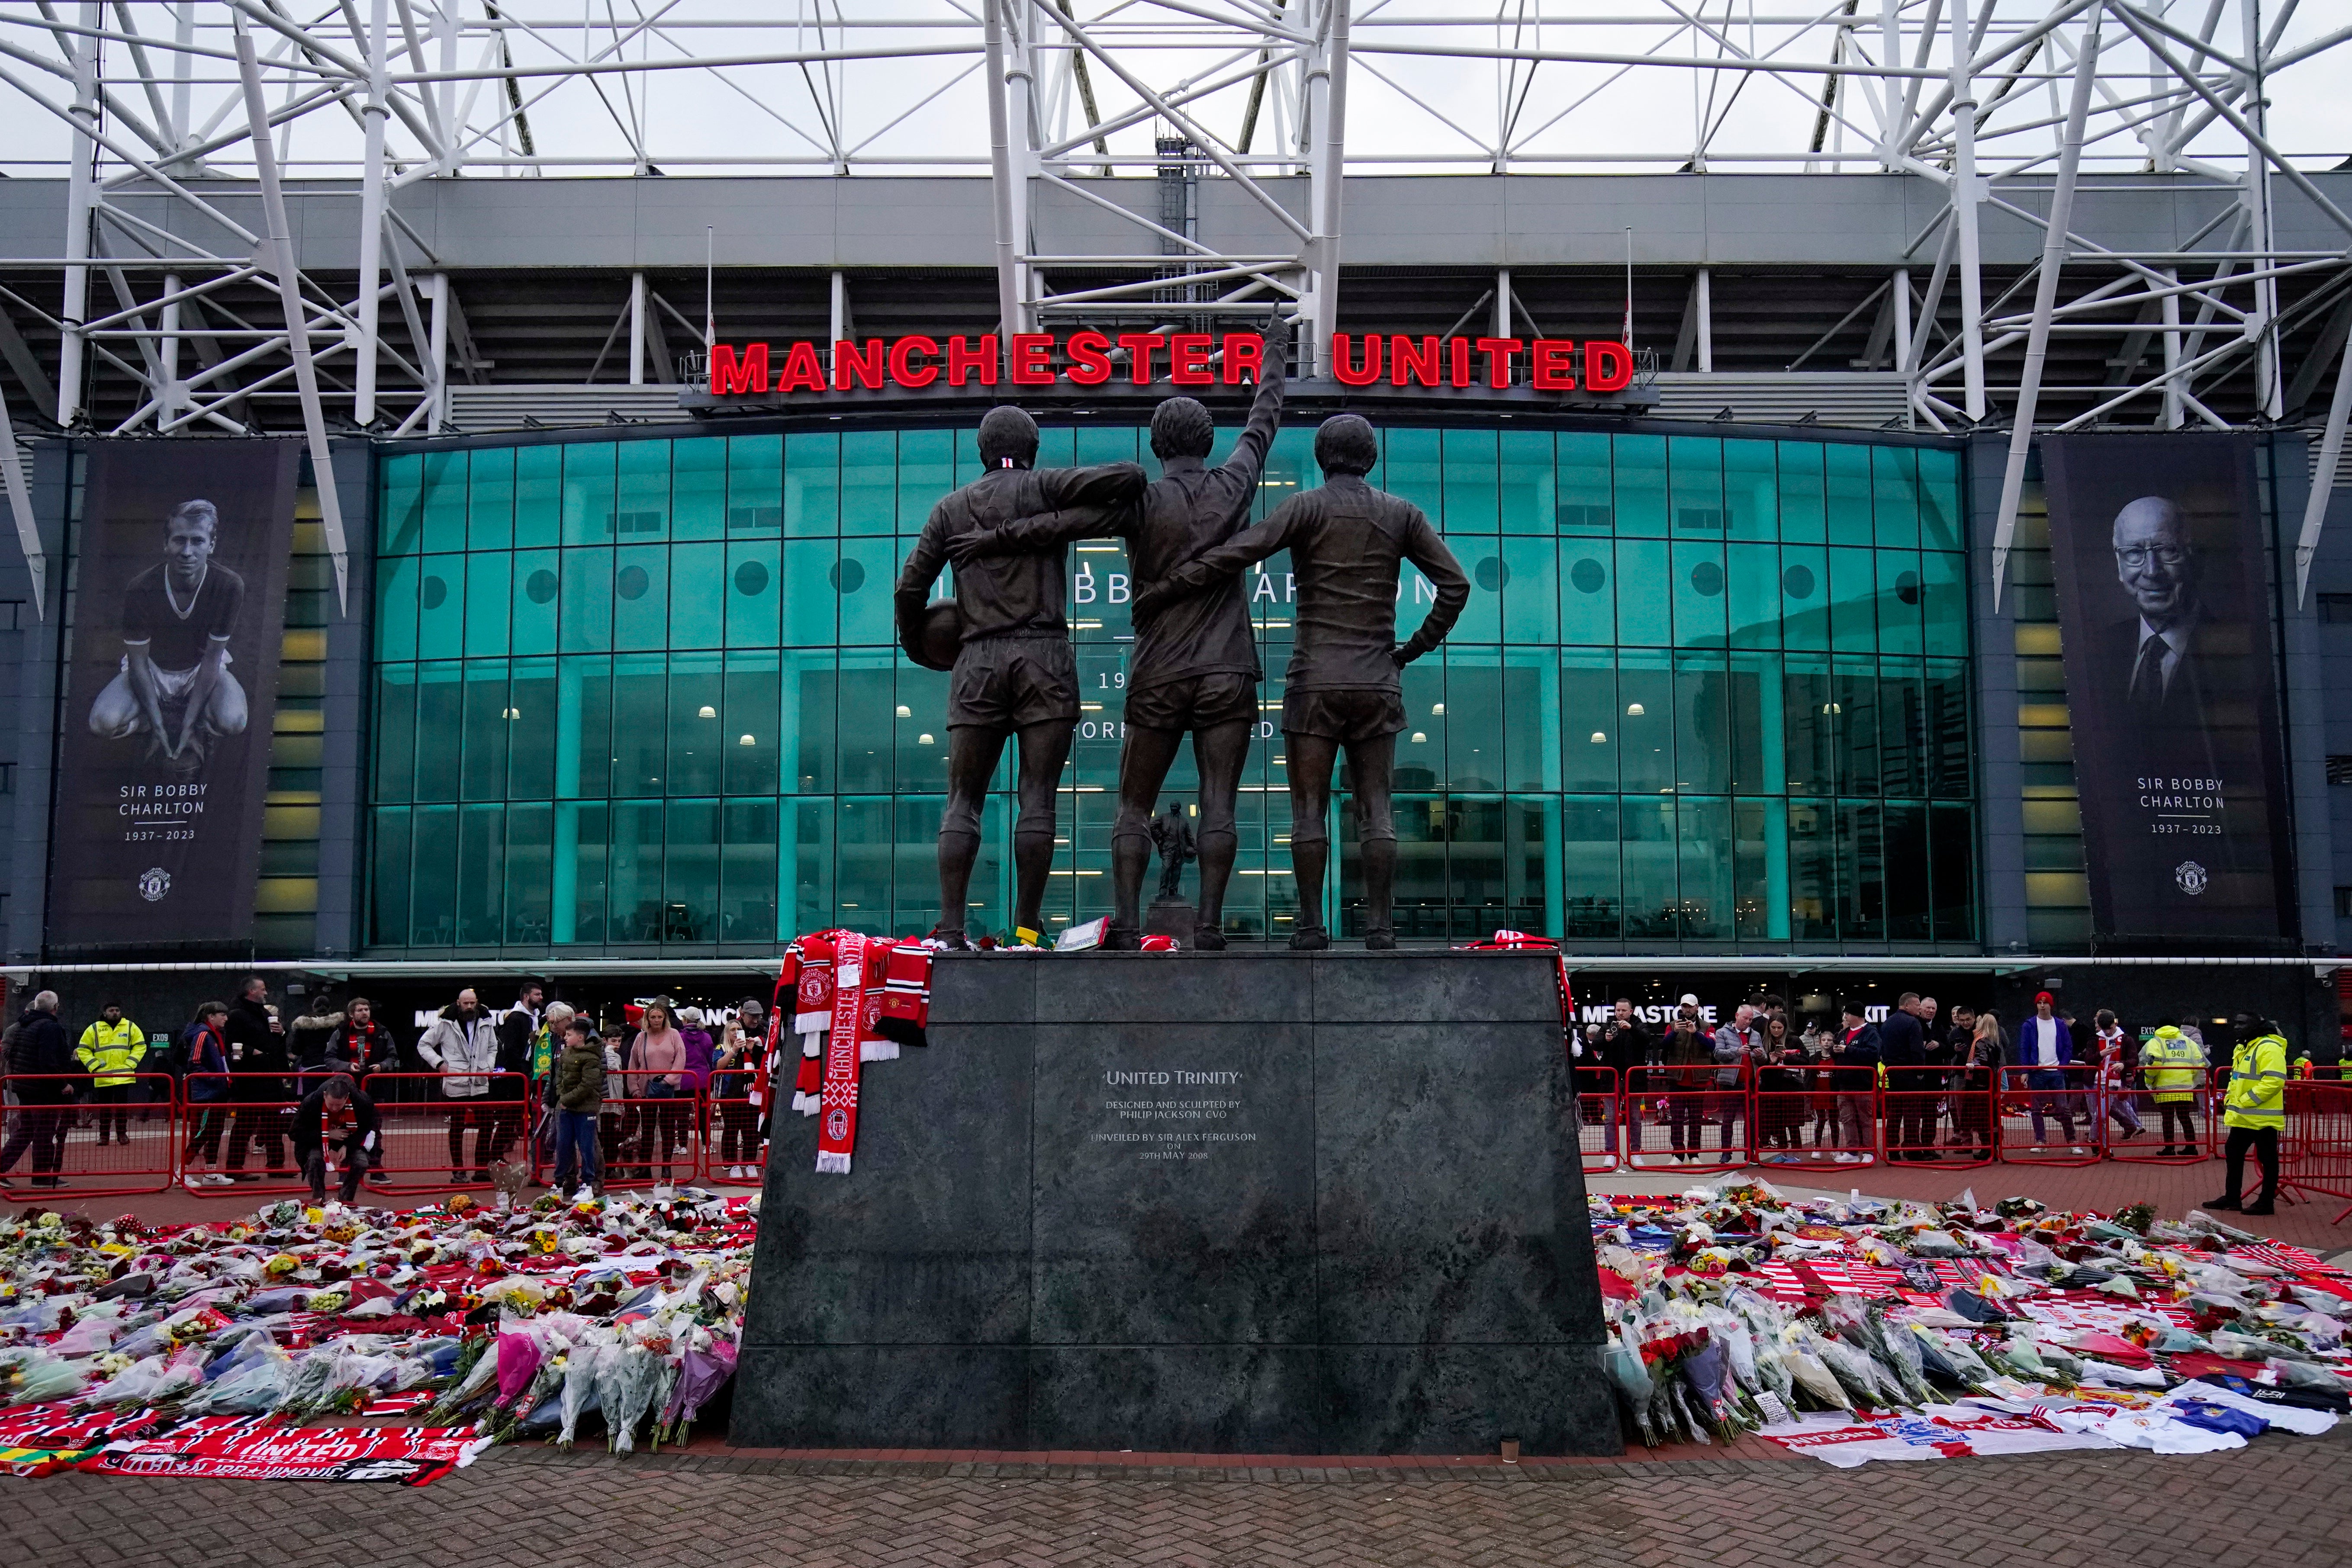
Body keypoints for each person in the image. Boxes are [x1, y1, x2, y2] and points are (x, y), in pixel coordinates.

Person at [946, 348, 1287, 948]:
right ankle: (1207, 925)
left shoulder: (1140, 503)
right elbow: (1263, 420)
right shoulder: (1233, 483)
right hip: (1227, 668)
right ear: (1205, 444)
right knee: (1218, 804)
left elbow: (1061, 525)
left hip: (1158, 669)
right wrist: (1275, 352)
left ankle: (1127, 924)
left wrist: (993, 537)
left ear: (1156, 447)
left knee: (1134, 805)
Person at [1135, 413, 1470, 949]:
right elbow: (1455, 585)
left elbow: (1237, 553)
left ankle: (1312, 926)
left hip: (1313, 680)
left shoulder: (1305, 507)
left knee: (1307, 810)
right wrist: (1411, 649)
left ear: (1321, 459)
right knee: (1376, 810)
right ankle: (1380, 928)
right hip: (1377, 681)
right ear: (1371, 458)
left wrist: (1169, 587)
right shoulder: (1401, 514)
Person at [894, 409, 1146, 948]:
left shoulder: (950, 508)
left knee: (963, 799)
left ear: (981, 451)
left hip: (977, 659)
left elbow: (908, 589)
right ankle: (1027, 930)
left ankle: (953, 930)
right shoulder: (1043, 486)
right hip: (1043, 655)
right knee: (1039, 798)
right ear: (1030, 448)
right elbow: (1129, 477)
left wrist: (921, 648)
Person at [86, 498, 250, 762]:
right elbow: (138, 663)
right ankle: (146, 722)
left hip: (199, 668)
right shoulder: (141, 588)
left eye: (197, 541)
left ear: (212, 545)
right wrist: (159, 727)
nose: (187, 551)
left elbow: (212, 658)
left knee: (234, 721)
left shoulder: (229, 586)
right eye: (179, 540)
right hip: (152, 668)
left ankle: (196, 720)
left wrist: (188, 726)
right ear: (166, 544)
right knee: (102, 723)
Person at [417, 988, 500, 1184]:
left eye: (473, 1003)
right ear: (458, 1003)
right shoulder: (444, 1023)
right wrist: (439, 1064)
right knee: (457, 1127)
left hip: (480, 1082)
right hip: (456, 1083)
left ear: (477, 1002)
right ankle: (459, 1171)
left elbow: (493, 1047)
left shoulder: (486, 1021)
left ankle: (481, 1169)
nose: (470, 1007)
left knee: (487, 1124)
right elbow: (423, 1045)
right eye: (466, 1003)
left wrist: (488, 1067)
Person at [2210, 1019, 2290, 1215]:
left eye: (2242, 1023)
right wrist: (2230, 1098)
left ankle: (2266, 1203)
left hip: (2263, 1118)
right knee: (2233, 1152)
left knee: (2268, 1159)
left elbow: (2275, 1081)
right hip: (2243, 1117)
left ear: (2256, 1027)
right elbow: (2236, 1077)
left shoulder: (2269, 1047)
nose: (2236, 1027)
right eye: (2236, 1023)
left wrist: (2246, 1100)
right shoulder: (2243, 1047)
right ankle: (2232, 1198)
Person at [0, 991, 75, 1188]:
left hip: (26, 1086)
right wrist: (63, 1084)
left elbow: (15, 1055)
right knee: (44, 1132)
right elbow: (48, 1061)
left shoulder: (23, 1025)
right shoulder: (50, 1027)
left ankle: (3, 1167)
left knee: (26, 1131)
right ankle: (41, 1176)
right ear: (55, 1007)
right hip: (44, 1090)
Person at [219, 977, 290, 1181]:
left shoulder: (265, 1013)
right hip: (250, 1079)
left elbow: (276, 1042)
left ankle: (276, 1165)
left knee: (274, 1123)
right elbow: (232, 1044)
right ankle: (234, 1167)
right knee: (245, 1123)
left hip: (270, 1076)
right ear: (251, 991)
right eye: (263, 989)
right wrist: (252, 1052)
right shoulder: (237, 1016)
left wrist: (282, 1033)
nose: (266, 993)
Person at [626, 1001, 690, 1182]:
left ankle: (666, 1167)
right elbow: (633, 1063)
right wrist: (634, 1088)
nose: (656, 1020)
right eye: (653, 1017)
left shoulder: (674, 1034)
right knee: (647, 1130)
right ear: (647, 1018)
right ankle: (646, 1166)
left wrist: (669, 1080)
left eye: (660, 1017)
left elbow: (681, 1057)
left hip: (668, 1088)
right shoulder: (641, 1037)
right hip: (647, 1089)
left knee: (668, 1129)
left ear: (665, 1018)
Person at [291, 1073, 378, 1205]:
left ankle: (345, 1200)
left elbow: (367, 1126)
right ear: (325, 1095)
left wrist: (348, 1146)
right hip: (318, 1138)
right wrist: (327, 1134)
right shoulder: (311, 1102)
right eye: (331, 1105)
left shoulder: (362, 1102)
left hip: (348, 1138)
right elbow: (294, 1132)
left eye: (339, 1105)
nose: (335, 1109)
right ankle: (319, 1200)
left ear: (347, 1098)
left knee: (362, 1162)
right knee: (315, 1160)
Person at [2015, 991, 2082, 1150]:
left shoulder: (2060, 1025)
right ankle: (2041, 1141)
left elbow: (2068, 1047)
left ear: (2051, 1005)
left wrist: (2062, 1067)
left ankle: (2072, 1142)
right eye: (2039, 1003)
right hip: (2037, 1072)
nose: (2042, 1006)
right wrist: (2025, 1070)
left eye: (2045, 1003)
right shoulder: (2029, 1025)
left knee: (2064, 1108)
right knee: (2036, 1109)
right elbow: (2024, 1048)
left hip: (2056, 1072)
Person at [74, 1002, 146, 1148]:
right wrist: (94, 1065)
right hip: (103, 1076)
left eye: (117, 1010)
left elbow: (141, 1045)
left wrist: (130, 1064)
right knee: (105, 1108)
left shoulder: (130, 1026)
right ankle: (104, 1136)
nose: (115, 1013)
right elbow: (82, 1049)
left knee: (122, 1108)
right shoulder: (94, 1028)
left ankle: (122, 1134)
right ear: (105, 1013)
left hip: (123, 1075)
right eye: (111, 1011)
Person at [179, 1002, 234, 1186]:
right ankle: (182, 1172)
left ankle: (211, 1173)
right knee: (202, 1133)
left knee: (216, 1131)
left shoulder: (216, 1036)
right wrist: (215, 1079)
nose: (226, 1018)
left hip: (218, 1091)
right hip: (207, 1093)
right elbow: (194, 1063)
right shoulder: (203, 1035)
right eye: (222, 1015)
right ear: (211, 1017)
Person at [551, 1017, 606, 1197]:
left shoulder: (592, 1057)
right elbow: (559, 1076)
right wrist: (562, 1096)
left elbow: (588, 1085)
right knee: (563, 1145)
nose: (565, 1038)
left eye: (569, 1035)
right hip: (566, 1106)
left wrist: (567, 1099)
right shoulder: (566, 1054)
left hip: (585, 1108)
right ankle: (559, 1183)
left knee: (587, 1146)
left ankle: (588, 1184)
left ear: (581, 1037)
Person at [2140, 1015, 2207, 1157]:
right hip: (2185, 1087)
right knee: (2185, 1117)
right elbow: (2200, 1063)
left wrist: (2150, 1082)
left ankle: (2169, 1148)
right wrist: (2190, 1078)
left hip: (2165, 1088)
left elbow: (2154, 1064)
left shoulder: (2156, 1041)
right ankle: (2191, 1147)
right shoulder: (2187, 1041)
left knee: (2168, 1118)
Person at [1879, 993, 1932, 1160]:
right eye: (1917, 1004)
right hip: (1909, 1072)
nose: (1920, 1007)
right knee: (1912, 1113)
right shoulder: (1913, 1023)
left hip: (1892, 1071)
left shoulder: (1887, 1023)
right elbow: (1917, 1051)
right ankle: (1913, 1149)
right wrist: (1920, 1072)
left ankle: (1892, 1148)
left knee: (1894, 1112)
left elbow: (1884, 1049)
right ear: (1907, 1005)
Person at [1595, 999, 1651, 1157]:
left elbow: (1647, 1039)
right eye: (1618, 1010)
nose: (1620, 1014)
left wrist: (1632, 1029)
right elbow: (1595, 1045)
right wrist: (1605, 1040)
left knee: (1635, 1118)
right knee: (1610, 1119)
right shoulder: (1607, 1026)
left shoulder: (1639, 1025)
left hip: (1634, 1079)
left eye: (1624, 1011)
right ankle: (1611, 1153)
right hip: (1611, 1079)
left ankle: (1635, 1152)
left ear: (1631, 1011)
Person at [1830, 1001, 1880, 1163]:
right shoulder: (1844, 1033)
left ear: (1857, 1015)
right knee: (1847, 1119)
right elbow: (1835, 1050)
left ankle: (1869, 1152)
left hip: (1863, 1084)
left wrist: (1847, 1050)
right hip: (1844, 1084)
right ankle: (1852, 1152)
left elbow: (1873, 1053)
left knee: (1866, 1119)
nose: (1846, 1017)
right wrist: (1835, 1050)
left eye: (1848, 1014)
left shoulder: (1871, 1033)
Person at [1710, 1004, 1762, 1157]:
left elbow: (1764, 1057)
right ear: (1737, 1016)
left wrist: (1760, 1054)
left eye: (1751, 1019)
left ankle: (1750, 1151)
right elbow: (1718, 1054)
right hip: (1730, 1082)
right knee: (1728, 1117)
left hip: (1750, 1082)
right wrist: (1737, 1051)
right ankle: (1726, 1151)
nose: (1748, 1021)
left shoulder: (1756, 1035)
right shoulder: (1722, 1033)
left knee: (1752, 1118)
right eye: (1746, 1018)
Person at [1954, 1012, 2004, 1161]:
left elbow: (1982, 1059)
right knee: (1991, 1118)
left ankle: (1986, 1147)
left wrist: (1972, 1065)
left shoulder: (1981, 1042)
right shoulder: (1994, 1043)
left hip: (1979, 1085)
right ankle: (1992, 1147)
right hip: (1990, 1084)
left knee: (1981, 1118)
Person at [1660, 1016, 1711, 1163]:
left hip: (1699, 1081)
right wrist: (1674, 1032)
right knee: (1676, 1119)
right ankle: (1678, 1154)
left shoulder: (1708, 1027)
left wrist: (1696, 1033)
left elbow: (1712, 1046)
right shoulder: (1672, 1026)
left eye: (1690, 1007)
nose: (1687, 1010)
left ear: (1697, 1008)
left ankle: (1694, 1155)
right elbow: (1664, 1045)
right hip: (1677, 1081)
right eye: (1685, 1006)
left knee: (1696, 1120)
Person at [2090, 1009, 2145, 1143]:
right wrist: (2101, 1054)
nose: (2108, 1032)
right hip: (2097, 1081)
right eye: (2105, 1029)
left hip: (2115, 1082)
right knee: (2099, 1114)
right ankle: (2098, 1140)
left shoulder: (2126, 1039)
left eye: (2109, 1028)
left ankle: (2097, 1141)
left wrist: (2123, 1065)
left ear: (2114, 1024)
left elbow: (2134, 1059)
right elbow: (2089, 1060)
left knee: (2102, 1114)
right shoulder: (2095, 1039)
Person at [1756, 1015, 1805, 1160]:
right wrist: (1770, 1062)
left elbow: (1805, 1060)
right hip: (1771, 1088)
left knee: (1793, 1124)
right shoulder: (1764, 1042)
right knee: (1778, 1123)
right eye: (1773, 1028)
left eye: (1780, 1028)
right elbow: (1761, 1067)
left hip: (1792, 1087)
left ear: (1785, 1028)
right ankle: (1783, 1154)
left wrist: (1787, 1057)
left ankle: (1796, 1155)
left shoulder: (1794, 1040)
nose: (1776, 1031)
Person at [321, 996, 399, 1080]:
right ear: (351, 1014)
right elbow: (329, 1058)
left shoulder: (382, 1033)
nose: (365, 1013)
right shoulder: (341, 1033)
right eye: (360, 1010)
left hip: (376, 1082)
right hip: (347, 1082)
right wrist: (348, 1066)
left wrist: (382, 1066)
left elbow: (392, 1056)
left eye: (367, 1010)